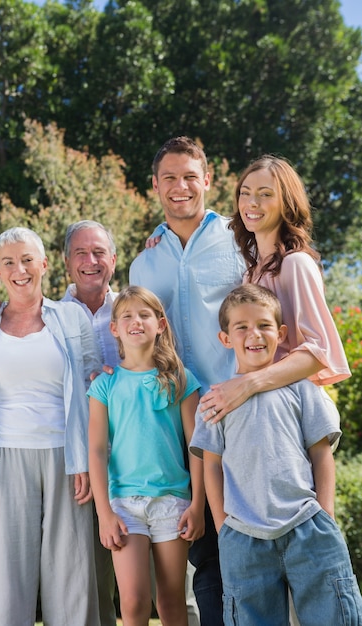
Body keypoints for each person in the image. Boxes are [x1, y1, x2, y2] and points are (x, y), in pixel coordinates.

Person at [0, 219, 119, 626]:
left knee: (73, 582)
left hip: (65, 459)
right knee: (7, 585)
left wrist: (86, 460)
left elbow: (92, 396)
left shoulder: (69, 321)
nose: (20, 270)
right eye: (9, 262)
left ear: (46, 265)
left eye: (28, 260)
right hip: (1, 461)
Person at [190, 283, 362, 625]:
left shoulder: (302, 389)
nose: (254, 334)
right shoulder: (215, 401)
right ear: (226, 338)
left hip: (308, 528)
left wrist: (324, 514)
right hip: (244, 536)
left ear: (280, 333)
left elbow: (321, 452)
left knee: (336, 617)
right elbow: (212, 466)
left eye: (264, 325)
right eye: (241, 327)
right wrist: (225, 528)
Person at [130, 136, 246, 624]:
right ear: (155, 185)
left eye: (190, 177)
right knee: (205, 552)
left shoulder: (240, 241)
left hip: (239, 408)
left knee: (256, 535)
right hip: (179, 425)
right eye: (170, 178)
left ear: (208, 181)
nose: (181, 187)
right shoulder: (145, 261)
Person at [200, 154, 350, 422]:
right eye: (245, 193)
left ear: (286, 204)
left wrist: (248, 384)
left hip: (290, 413)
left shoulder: (296, 264)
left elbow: (319, 352)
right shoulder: (250, 275)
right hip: (261, 410)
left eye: (265, 194)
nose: (252, 203)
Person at [87, 285, 205, 626]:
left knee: (171, 601)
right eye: (126, 316)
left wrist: (197, 505)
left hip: (173, 502)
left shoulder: (180, 379)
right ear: (114, 328)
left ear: (161, 324)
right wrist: (104, 513)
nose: (135, 321)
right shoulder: (105, 386)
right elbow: (96, 451)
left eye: (144, 314)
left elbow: (197, 446)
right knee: (134, 601)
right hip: (124, 504)